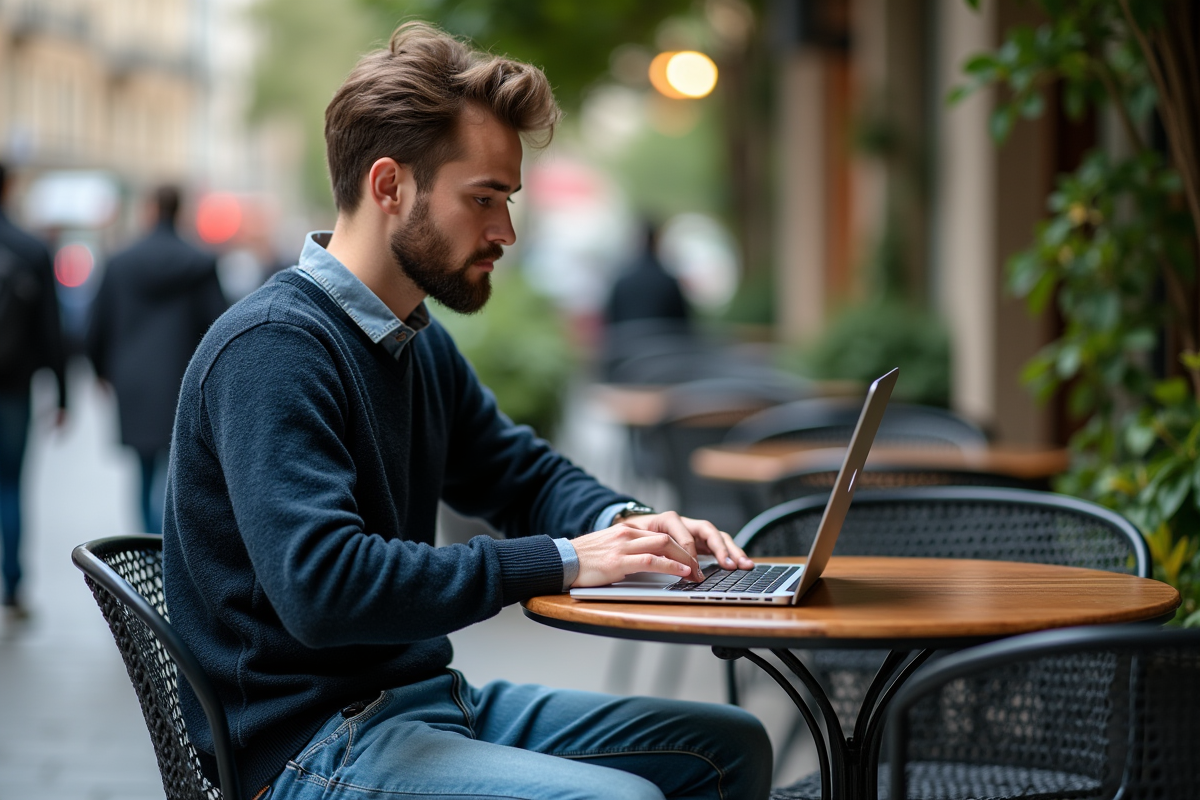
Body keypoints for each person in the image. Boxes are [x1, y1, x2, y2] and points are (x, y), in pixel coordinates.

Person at [164, 21, 773, 800]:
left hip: (422, 708)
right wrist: (560, 560)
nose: (506, 232)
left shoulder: (413, 340)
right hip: (306, 748)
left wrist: (630, 525)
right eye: (483, 199)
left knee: (729, 747)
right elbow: (323, 588)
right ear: (390, 187)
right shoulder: (273, 348)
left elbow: (518, 476)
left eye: (508, 200)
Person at [87, 185, 227, 534]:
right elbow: (218, 324)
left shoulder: (119, 263)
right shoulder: (199, 263)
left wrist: (101, 372)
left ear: (150, 209)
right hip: (182, 380)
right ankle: (166, 551)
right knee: (175, 473)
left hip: (132, 381)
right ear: (179, 211)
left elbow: (96, 325)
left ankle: (148, 550)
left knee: (142, 471)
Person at [0, 162, 67, 620]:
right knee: (10, 486)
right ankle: (14, 586)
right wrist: (63, 393)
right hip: (14, 387)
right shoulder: (30, 249)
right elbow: (51, 328)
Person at [604, 220, 691, 326]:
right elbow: (681, 323)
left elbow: (612, 321)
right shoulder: (669, 282)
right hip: (663, 340)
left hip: (629, 341)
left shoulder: (621, 281)